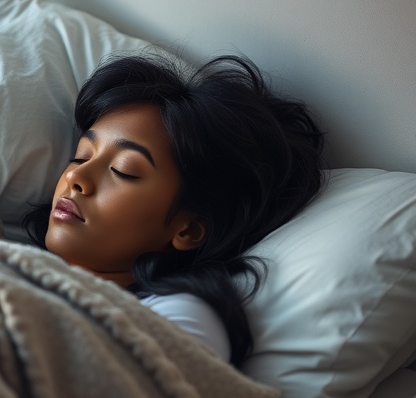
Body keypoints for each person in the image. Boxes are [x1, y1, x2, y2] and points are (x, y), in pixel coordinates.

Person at [23, 52, 325, 366]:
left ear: (188, 229)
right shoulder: (9, 257)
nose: (76, 176)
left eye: (124, 170)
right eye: (81, 156)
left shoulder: (181, 317)